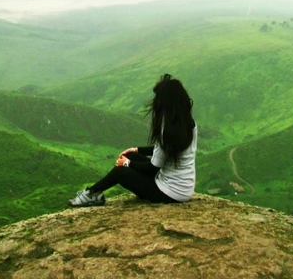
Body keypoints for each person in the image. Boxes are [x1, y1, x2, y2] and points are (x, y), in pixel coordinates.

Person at [68, 73, 198, 206]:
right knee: (130, 155)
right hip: (184, 190)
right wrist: (137, 150)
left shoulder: (167, 130)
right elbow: (167, 149)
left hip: (169, 193)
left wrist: (127, 164)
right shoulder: (188, 124)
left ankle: (91, 193)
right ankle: (93, 193)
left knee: (120, 171)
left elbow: (153, 168)